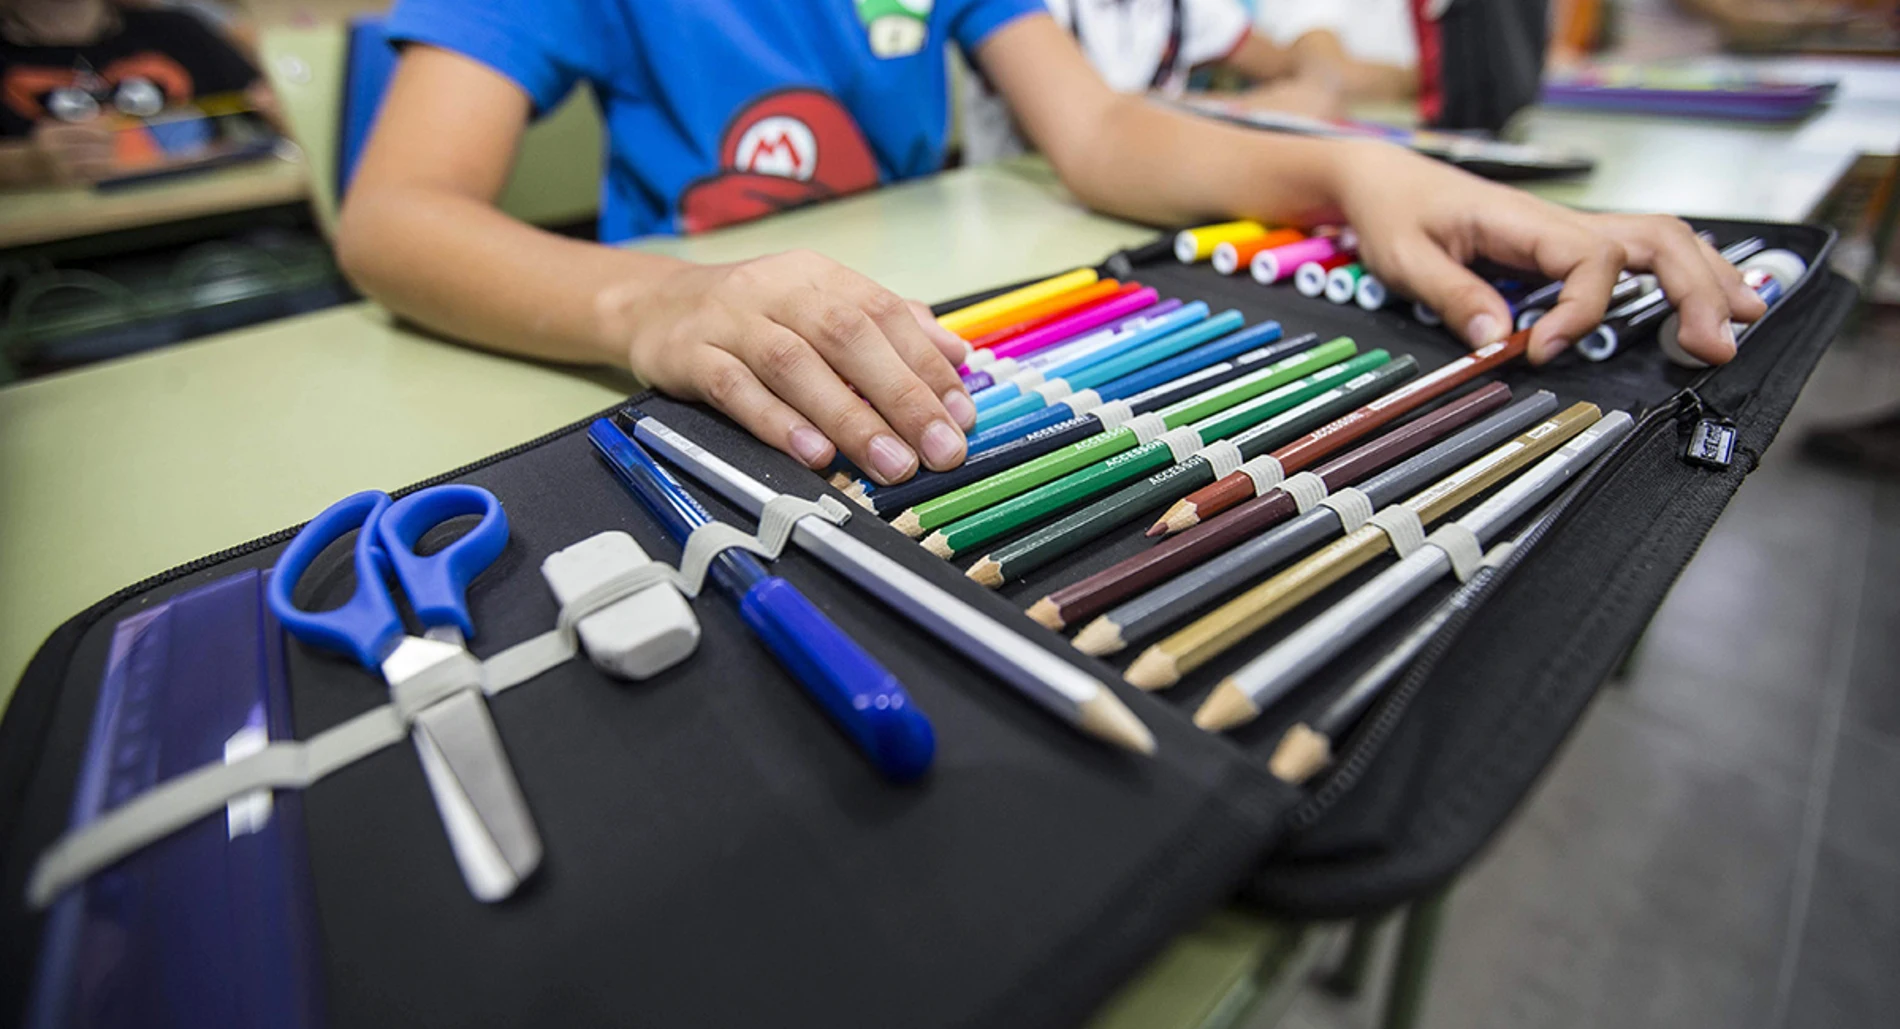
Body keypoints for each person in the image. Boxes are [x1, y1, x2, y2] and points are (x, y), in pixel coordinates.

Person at [336, 0, 1764, 487]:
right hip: (695, 390)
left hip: (913, 355)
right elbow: (396, 214)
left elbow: (1099, 134)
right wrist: (650, 305)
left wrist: (1354, 169)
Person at [959, 0, 1414, 166]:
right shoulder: (1023, 9)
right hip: (1021, 197)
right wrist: (1244, 107)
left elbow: (1293, 66)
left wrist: (1311, 81)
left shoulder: (1185, 8)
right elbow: (1073, 118)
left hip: (1141, 188)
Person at [0, 0, 267, 187]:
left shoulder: (178, 31)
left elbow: (267, 108)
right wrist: (23, 164)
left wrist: (278, 107)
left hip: (219, 226)